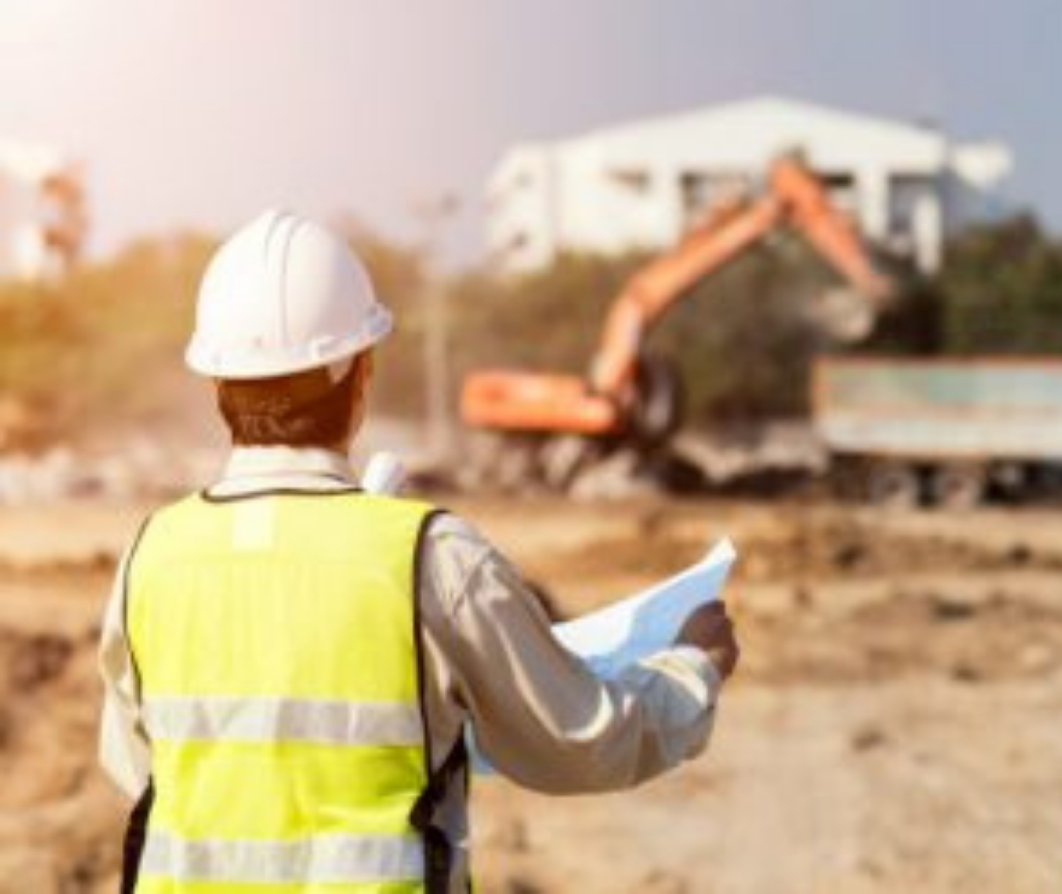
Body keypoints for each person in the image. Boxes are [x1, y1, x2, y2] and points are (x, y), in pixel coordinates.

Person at [97, 209, 740, 893]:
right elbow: (579, 743)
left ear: (217, 382)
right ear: (360, 371)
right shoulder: (431, 560)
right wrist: (692, 670)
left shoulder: (151, 556)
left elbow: (138, 767)